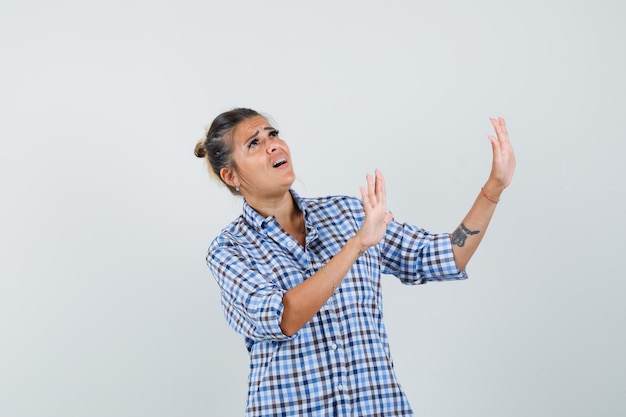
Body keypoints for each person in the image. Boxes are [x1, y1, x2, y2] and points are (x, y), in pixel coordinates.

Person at [194, 107, 515, 416]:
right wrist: (356, 246)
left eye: (273, 134)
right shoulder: (229, 249)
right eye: (255, 143)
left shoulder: (348, 214)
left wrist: (494, 188)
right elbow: (284, 317)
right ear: (231, 175)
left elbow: (444, 256)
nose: (273, 144)